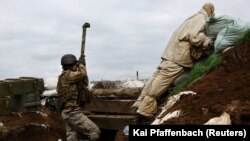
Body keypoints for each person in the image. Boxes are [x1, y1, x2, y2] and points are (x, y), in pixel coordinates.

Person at [131, 2, 215, 117]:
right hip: (178, 57)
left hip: (169, 54)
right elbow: (195, 36)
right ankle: (146, 109)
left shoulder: (189, 18)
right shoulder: (201, 18)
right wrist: (208, 41)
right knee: (162, 82)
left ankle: (139, 103)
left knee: (155, 77)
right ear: (210, 12)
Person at [57, 54, 101, 141]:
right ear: (72, 66)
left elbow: (84, 83)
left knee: (72, 137)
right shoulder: (67, 76)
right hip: (72, 112)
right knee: (94, 132)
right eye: (75, 65)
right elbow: (83, 74)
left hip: (68, 112)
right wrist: (81, 65)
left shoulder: (69, 77)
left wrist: (82, 65)